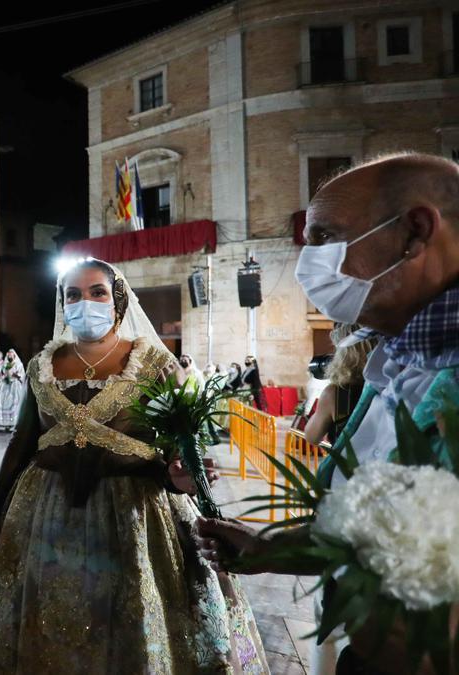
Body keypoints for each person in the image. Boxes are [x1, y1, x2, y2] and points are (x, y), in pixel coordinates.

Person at [197, 153, 459, 674]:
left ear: (414, 231)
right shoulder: (390, 364)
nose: (306, 263)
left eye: (323, 238)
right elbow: (364, 525)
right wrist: (276, 547)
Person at [0, 258, 267, 674]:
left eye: (97, 293)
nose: (84, 302)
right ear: (63, 304)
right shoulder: (40, 365)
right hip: (44, 516)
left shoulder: (157, 365)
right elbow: (22, 442)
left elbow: (181, 446)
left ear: (118, 303)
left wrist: (182, 478)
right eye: (73, 295)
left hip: (135, 517)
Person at [303, 324, 376, 447]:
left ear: (344, 354)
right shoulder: (391, 386)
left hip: (351, 464)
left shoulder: (338, 394)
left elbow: (312, 436)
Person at [0, 349, 25, 430]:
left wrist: (17, 375)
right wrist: (2, 375)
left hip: (15, 385)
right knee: (3, 402)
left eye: (11, 355)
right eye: (8, 355)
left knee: (15, 403)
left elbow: (22, 375)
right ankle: (6, 423)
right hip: (5, 385)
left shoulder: (18, 364)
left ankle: (14, 422)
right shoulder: (4, 364)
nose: (10, 356)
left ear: (14, 356)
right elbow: (0, 374)